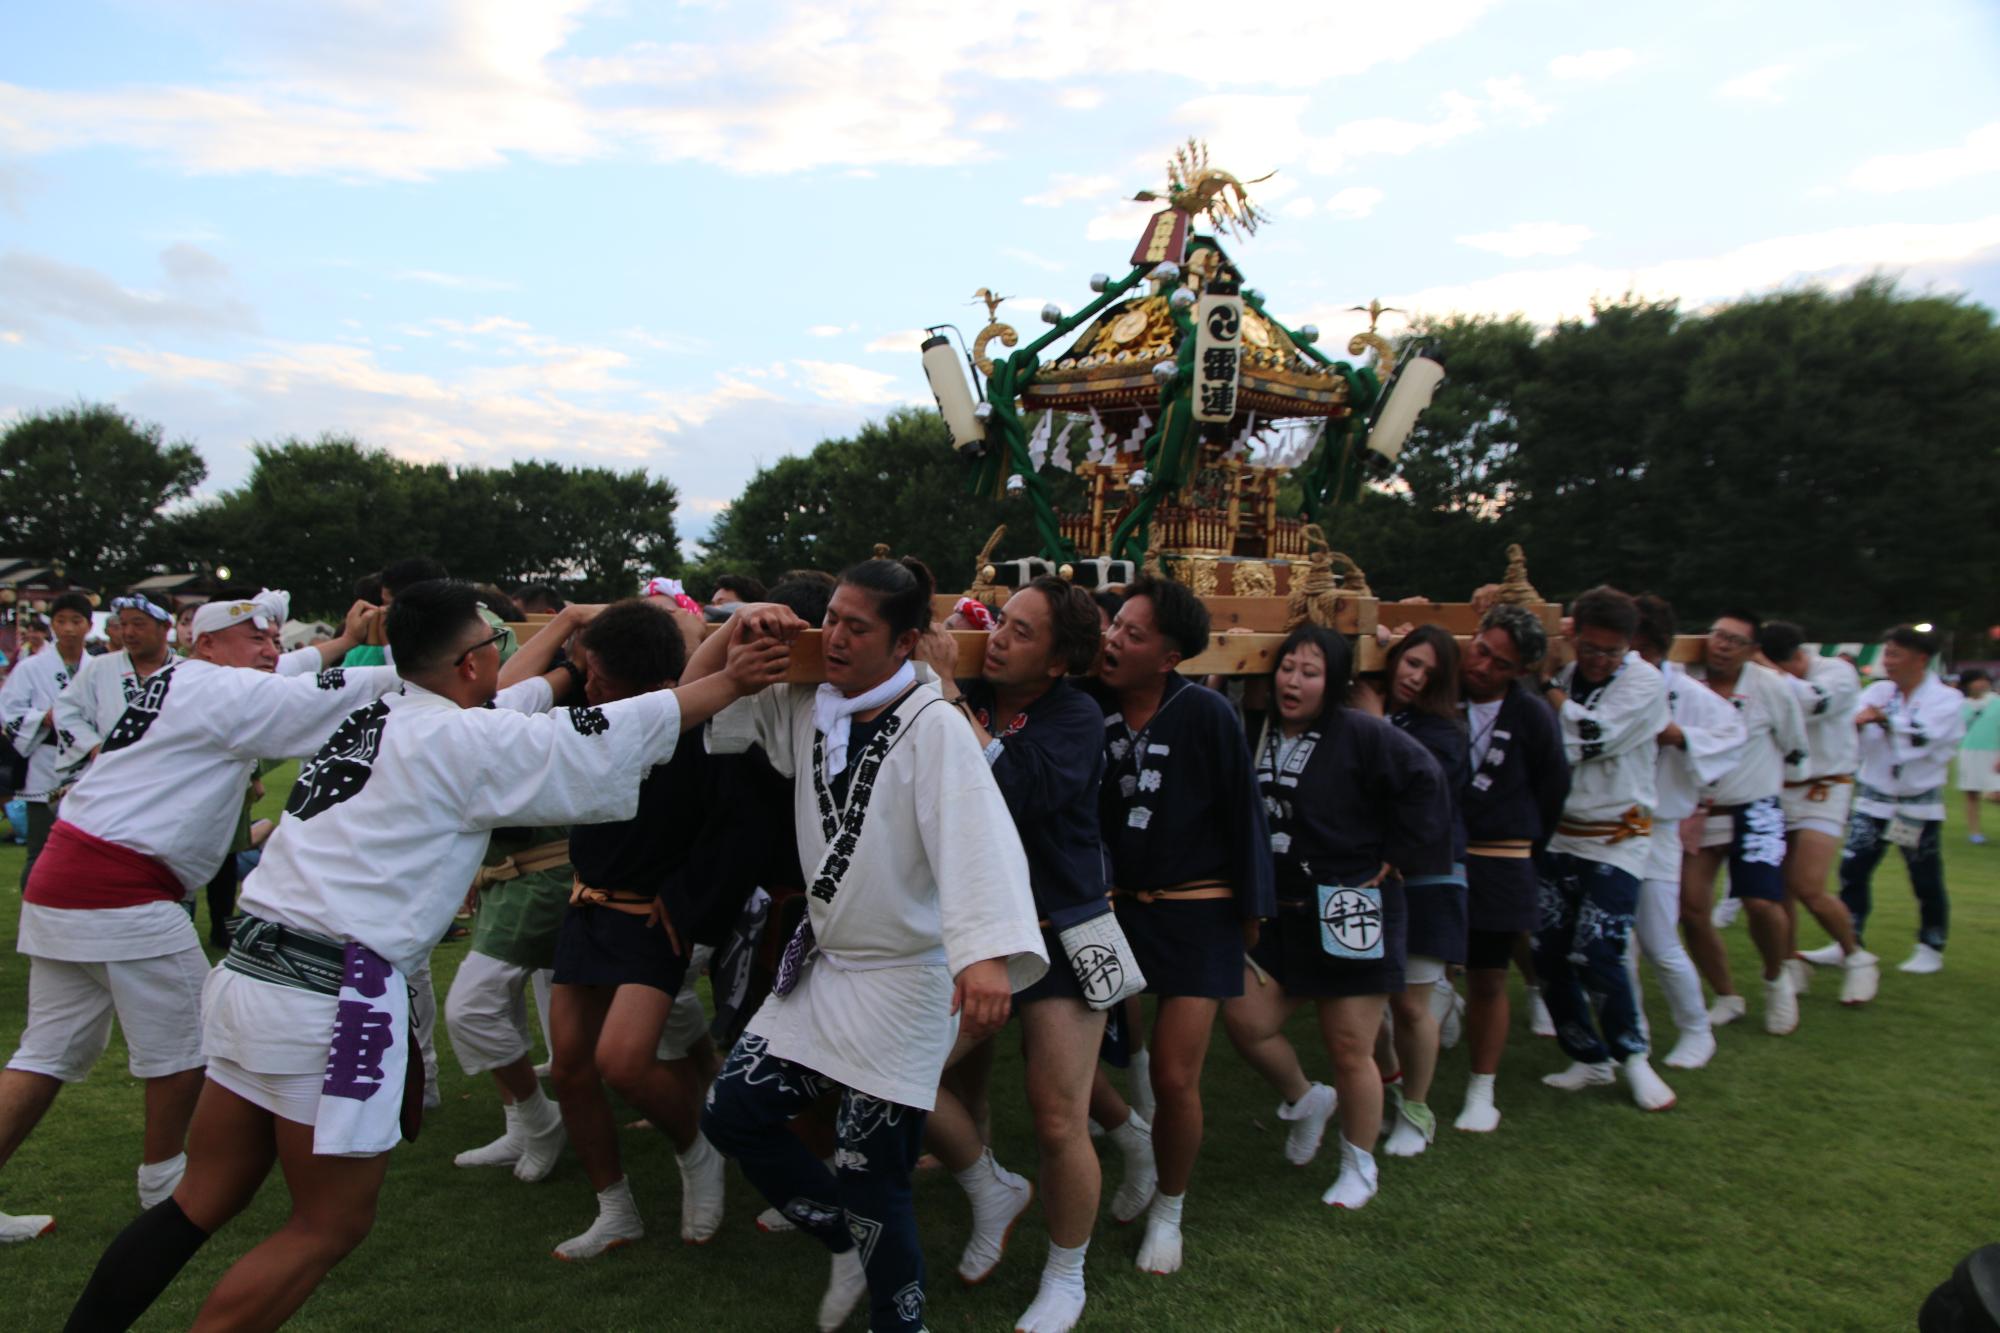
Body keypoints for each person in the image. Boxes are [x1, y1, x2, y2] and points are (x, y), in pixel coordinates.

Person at [59, 579, 790, 1330]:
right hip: (323, 1001)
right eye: (488, 644)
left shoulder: (381, 712)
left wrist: (583, 646)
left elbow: (532, 705)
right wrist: (731, 677)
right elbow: (609, 733)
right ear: (470, 663)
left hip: (250, 977)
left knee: (201, 1199)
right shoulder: (459, 740)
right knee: (328, 1224)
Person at [692, 557, 1046, 1333]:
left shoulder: (934, 723)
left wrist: (983, 952)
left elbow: (975, 835)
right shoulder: (811, 707)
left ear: (906, 641)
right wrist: (742, 629)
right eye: (834, 621)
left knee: (872, 1174)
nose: (839, 639)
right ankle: (840, 1236)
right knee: (732, 1110)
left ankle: (901, 1322)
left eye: (859, 626)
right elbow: (699, 708)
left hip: (907, 980)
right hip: (830, 969)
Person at [0, 597, 398, 1246]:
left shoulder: (184, 675)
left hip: (69, 873)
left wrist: (339, 642)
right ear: (206, 644)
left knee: (46, 1050)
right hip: (118, 886)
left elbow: (283, 669)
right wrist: (406, 666)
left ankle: (163, 1180)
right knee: (187, 1049)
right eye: (253, 636)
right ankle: (164, 1188)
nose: (269, 646)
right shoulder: (220, 687)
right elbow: (307, 702)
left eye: (273, 635)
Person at [916, 575, 1117, 1333]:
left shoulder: (1078, 717)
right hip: (975, 931)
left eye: (1022, 631)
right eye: (1001, 620)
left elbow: (1005, 783)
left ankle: (1066, 1274)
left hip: (1064, 925)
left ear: (1061, 661)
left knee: (1061, 1117)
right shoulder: (964, 687)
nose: (998, 636)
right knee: (907, 1069)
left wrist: (941, 685)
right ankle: (988, 1182)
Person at [1223, 624, 1451, 1212]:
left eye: (1310, 671)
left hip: (1348, 906)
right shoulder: (1260, 728)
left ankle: (1359, 1164)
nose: (1294, 681)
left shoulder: (1363, 732)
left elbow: (1426, 779)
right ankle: (1305, 1098)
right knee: (1246, 1019)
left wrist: (1399, 853)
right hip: (1280, 913)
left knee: (1350, 1046)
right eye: (1288, 668)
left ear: (1335, 682)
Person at [1081, 574, 1272, 1275]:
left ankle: (1170, 1206)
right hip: (1112, 907)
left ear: (1168, 656)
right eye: (1114, 625)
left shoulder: (1207, 714)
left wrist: (1251, 913)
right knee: (1070, 1056)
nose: (1113, 639)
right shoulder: (1087, 706)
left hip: (1199, 907)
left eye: (1132, 633)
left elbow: (1244, 814)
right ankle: (1134, 1140)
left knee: (1173, 1071)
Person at [542, 600, 739, 1259]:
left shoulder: (691, 732)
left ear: (638, 680)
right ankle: (615, 1207)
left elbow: (723, 832)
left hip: (649, 921)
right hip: (587, 909)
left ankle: (697, 1150)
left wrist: (684, 901)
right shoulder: (589, 724)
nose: (586, 683)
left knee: (623, 1062)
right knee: (570, 1067)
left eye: (595, 673)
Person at [440, 609, 601, 1188]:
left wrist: (566, 633)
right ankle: (523, 1122)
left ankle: (540, 1118)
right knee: (507, 1008)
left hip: (544, 872)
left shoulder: (550, 694)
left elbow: (498, 696)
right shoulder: (504, 698)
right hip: (508, 876)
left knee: (474, 1008)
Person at [1536, 587, 1676, 1110]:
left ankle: (1633, 1055)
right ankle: (1588, 1056)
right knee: (1546, 952)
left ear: (1628, 645)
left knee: (1598, 948)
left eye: (1609, 651)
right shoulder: (1569, 676)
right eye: (1589, 648)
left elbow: (1591, 737)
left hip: (1619, 838)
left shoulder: (1644, 681)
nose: (1598, 661)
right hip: (1561, 832)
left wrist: (1549, 685)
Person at [1452, 605, 1569, 1133]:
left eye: (1498, 663)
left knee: (1489, 978)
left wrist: (1523, 845)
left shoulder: (1533, 716)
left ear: (1520, 671)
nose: (1481, 665)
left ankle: (1483, 1087)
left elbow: (1553, 791)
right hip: (1433, 854)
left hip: (1500, 856)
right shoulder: (1439, 687)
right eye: (1481, 649)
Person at [1356, 625, 1467, 1159]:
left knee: (1411, 1006)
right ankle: (1393, 1081)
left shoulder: (1445, 732)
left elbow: (1412, 783)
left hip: (1427, 877)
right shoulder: (1373, 709)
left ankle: (1416, 1110)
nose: (1413, 675)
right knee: (1366, 1001)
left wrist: (1374, 719)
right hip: (1374, 876)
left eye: (1426, 670)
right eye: (1408, 661)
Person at [1681, 609, 1810, 1035]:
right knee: (1691, 908)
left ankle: (1776, 978)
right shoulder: (1686, 679)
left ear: (1753, 651)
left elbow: (1795, 745)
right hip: (1699, 808)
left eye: (1734, 640)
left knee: (1760, 903)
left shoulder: (1770, 686)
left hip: (1756, 805)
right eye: (1717, 634)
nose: (1721, 645)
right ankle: (1726, 994)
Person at [1629, 596, 1744, 1070]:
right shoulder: (1612, 682)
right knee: (1612, 945)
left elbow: (1732, 733)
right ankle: (1631, 1039)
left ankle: (1696, 1029)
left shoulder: (1691, 694)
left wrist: (1679, 736)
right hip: (1604, 827)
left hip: (1657, 829)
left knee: (1658, 939)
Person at [1758, 621, 1878, 1006]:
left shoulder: (1837, 672)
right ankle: (1791, 963)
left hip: (1827, 788)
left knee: (1809, 886)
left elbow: (1813, 703)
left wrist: (1768, 672)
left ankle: (1856, 957)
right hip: (1781, 788)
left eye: (1782, 667)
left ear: (1799, 656)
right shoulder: (1772, 674)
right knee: (1780, 891)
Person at [1839, 624, 1966, 975]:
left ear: (1921, 658)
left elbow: (1927, 736)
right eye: (1887, 653)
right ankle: (1848, 939)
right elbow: (1854, 725)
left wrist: (1886, 721)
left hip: (1915, 804)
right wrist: (1863, 721)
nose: (1887, 661)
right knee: (1853, 870)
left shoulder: (1946, 698)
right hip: (1873, 798)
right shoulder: (1879, 690)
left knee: (1923, 876)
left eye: (1895, 654)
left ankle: (1931, 945)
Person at [0, 591, 93, 891]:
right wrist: (43, 717)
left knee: (84, 850)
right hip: (45, 761)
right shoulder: (31, 667)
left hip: (87, 766)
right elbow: (8, 711)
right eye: (61, 621)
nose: (68, 628)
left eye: (75, 621)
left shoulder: (98, 667)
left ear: (88, 626)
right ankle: (33, 917)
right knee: (39, 851)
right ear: (52, 624)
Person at [340, 556, 449, 667]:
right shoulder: (365, 651)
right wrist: (348, 639)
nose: (381, 611)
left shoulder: (453, 648)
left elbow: (407, 682)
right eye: (383, 604)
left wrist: (389, 648)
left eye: (390, 607)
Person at [1954, 668, 1996, 843]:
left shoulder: (1997, 702)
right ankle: (1975, 832)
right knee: (1971, 794)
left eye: (1984, 679)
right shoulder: (1960, 705)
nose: (1982, 683)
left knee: (1995, 793)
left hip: (1994, 752)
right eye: (1977, 680)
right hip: (1969, 751)